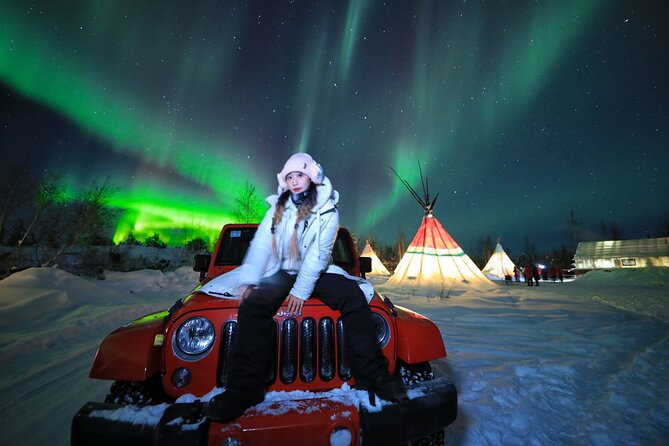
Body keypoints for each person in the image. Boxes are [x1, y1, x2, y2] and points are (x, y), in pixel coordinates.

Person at [206, 153, 407, 422]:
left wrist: (300, 291)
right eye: (289, 176)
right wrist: (251, 279)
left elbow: (319, 254)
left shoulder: (328, 210)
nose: (294, 181)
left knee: (353, 295)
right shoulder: (278, 207)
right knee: (253, 304)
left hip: (317, 270)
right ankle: (244, 389)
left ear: (312, 176)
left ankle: (374, 376)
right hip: (280, 270)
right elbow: (263, 244)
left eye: (299, 175)